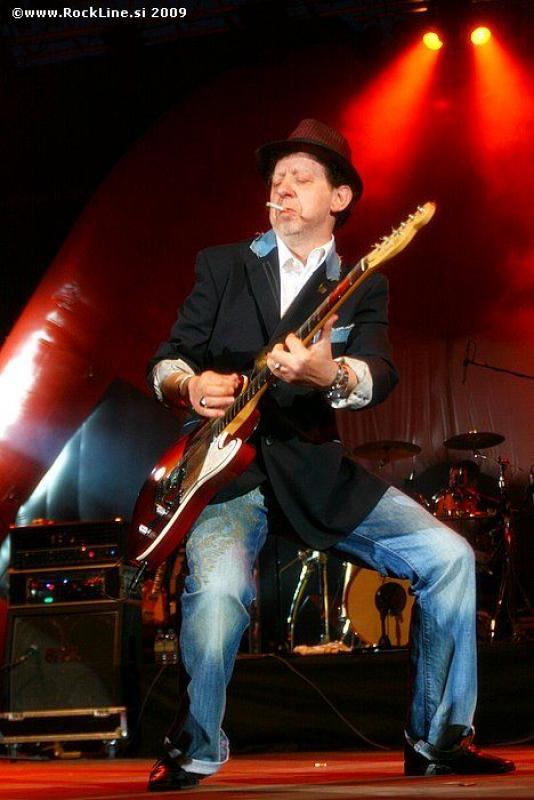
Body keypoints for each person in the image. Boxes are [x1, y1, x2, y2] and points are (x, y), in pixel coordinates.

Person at [146, 119, 514, 791]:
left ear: (340, 199)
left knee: (450, 558)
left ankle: (438, 740)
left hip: (316, 469)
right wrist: (188, 385)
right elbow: (168, 360)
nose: (282, 189)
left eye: (301, 178)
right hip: (228, 474)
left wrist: (331, 374)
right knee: (218, 595)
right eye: (277, 179)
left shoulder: (362, 282)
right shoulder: (223, 265)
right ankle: (194, 747)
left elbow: (379, 370)